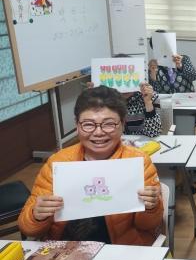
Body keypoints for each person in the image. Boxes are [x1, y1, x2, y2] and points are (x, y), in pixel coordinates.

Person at [18, 86, 163, 245]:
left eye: (109, 124)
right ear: (77, 125)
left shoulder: (138, 162)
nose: (98, 132)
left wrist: (152, 207)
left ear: (122, 123)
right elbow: (28, 228)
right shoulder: (58, 162)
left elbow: (148, 225)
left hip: (119, 250)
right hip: (65, 250)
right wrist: (37, 215)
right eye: (88, 124)